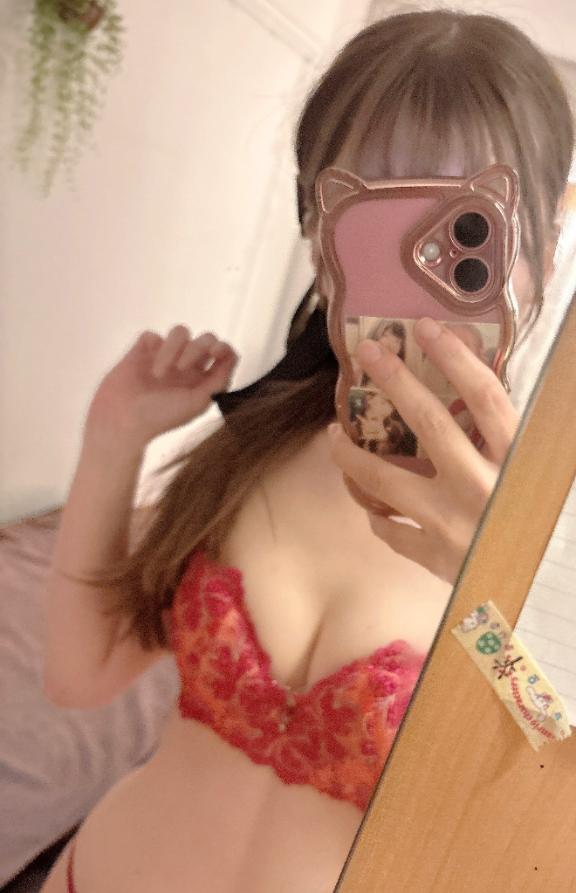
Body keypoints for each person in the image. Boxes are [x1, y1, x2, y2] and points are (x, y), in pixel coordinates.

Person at [39, 10, 573, 893]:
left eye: (463, 229)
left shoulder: (552, 548)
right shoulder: (252, 449)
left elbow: (546, 801)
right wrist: (114, 436)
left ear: (546, 246)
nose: (415, 280)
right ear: (319, 231)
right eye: (376, 219)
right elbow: (80, 673)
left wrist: (497, 588)